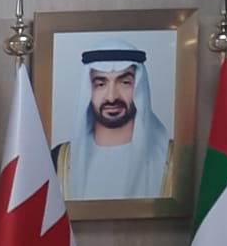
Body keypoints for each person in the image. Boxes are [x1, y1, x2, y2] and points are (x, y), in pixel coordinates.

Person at [54, 39, 176, 200]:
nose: (111, 97)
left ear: (139, 89)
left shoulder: (173, 159)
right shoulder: (59, 160)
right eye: (100, 84)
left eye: (125, 83)